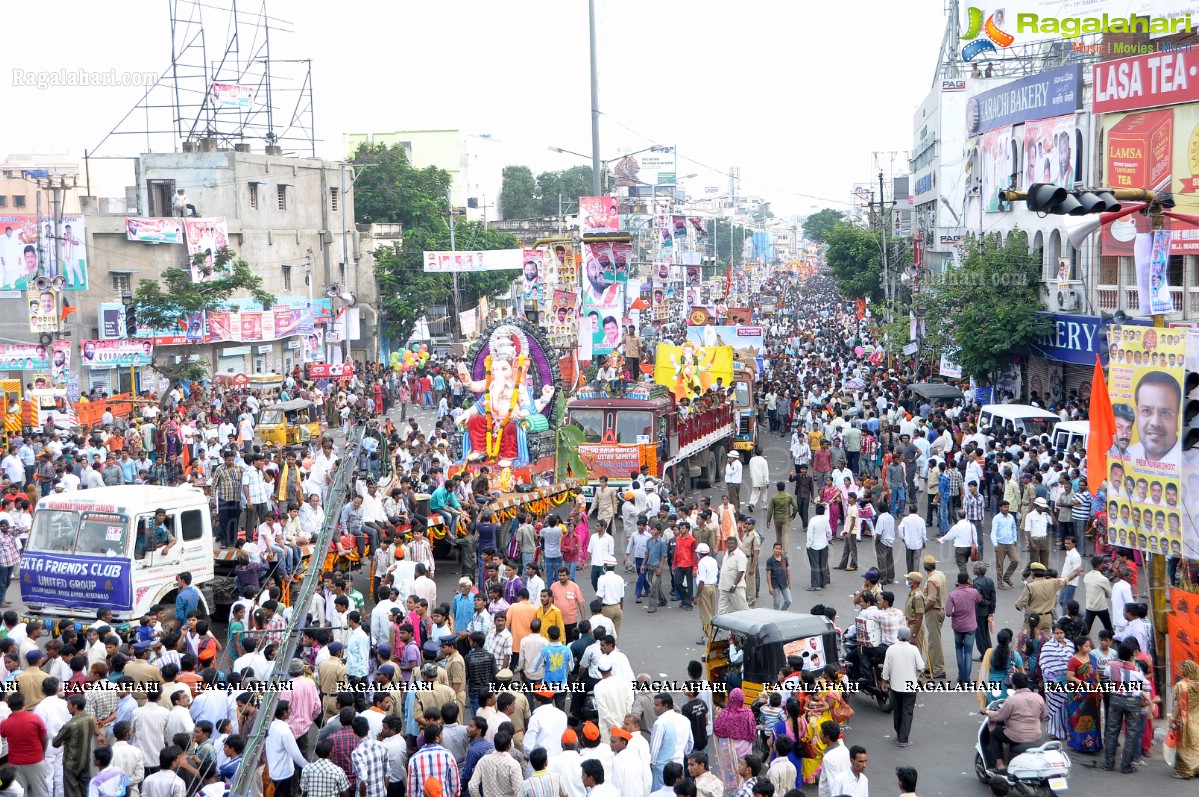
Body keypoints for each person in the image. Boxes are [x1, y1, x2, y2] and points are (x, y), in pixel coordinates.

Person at [985, 672, 1047, 772]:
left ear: (1013, 685)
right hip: (1035, 735)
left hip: (1017, 736)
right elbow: (1044, 715)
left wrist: (987, 712)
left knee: (995, 733)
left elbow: (999, 716)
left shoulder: (1011, 700)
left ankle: (1000, 765)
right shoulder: (1038, 697)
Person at [881, 626, 924, 747]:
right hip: (910, 686)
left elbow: (886, 667)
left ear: (897, 636)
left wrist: (884, 681)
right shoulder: (913, 649)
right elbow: (921, 666)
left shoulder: (891, 649)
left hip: (895, 686)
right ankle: (903, 738)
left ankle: (898, 733)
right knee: (907, 711)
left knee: (898, 710)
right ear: (909, 636)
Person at [1064, 635, 1103, 753]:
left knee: (1094, 718)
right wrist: (1082, 683)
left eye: (1089, 646)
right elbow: (1070, 676)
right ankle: (1079, 744)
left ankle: (1093, 744)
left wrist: (1099, 688)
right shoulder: (1073, 661)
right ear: (1079, 647)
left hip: (1092, 692)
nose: (1089, 648)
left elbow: (1095, 674)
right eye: (1086, 646)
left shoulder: (1091, 658)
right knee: (1078, 718)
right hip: (1079, 693)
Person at [1169, 660, 1199, 779]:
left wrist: (1172, 718)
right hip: (1197, 719)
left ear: (1187, 670)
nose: (1180, 671)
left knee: (1183, 745)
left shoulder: (1182, 685)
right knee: (1195, 745)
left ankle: (1183, 772)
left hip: (1185, 720)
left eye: (1182, 668)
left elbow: (1178, 705)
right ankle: (1196, 768)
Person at [712, 688, 756, 758]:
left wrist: (717, 716)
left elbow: (717, 729)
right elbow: (752, 730)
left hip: (729, 752)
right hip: (745, 750)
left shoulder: (724, 714)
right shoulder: (749, 713)